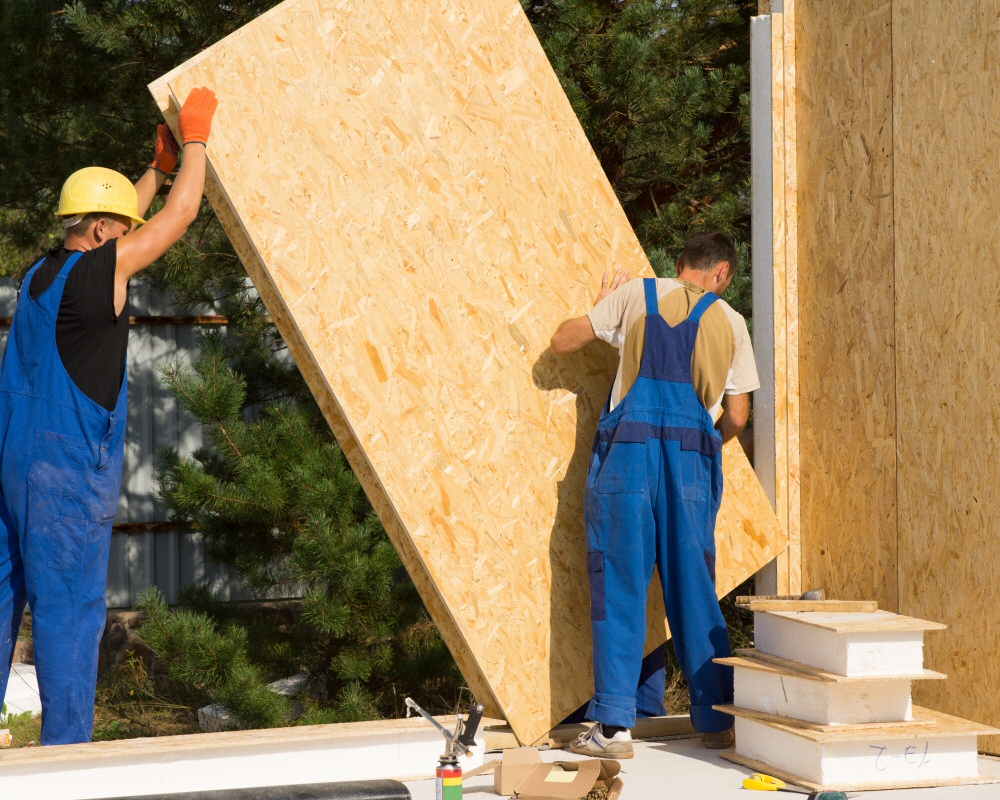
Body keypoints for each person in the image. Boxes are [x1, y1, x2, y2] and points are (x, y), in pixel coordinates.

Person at [0, 87, 218, 745]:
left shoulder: (43, 273)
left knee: (4, 597)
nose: (129, 239)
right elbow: (177, 219)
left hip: (13, 468)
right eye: (120, 230)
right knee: (68, 615)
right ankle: (66, 761)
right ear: (100, 233)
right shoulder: (99, 275)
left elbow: (130, 213)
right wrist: (199, 139)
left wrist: (157, 166)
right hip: (66, 479)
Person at [550, 232, 759, 758]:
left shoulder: (635, 297)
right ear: (723, 274)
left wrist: (600, 312)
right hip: (689, 465)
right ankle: (716, 722)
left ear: (680, 263)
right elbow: (737, 416)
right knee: (694, 587)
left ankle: (615, 729)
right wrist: (703, 441)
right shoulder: (732, 323)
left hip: (629, 459)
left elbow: (562, 342)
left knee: (620, 581)